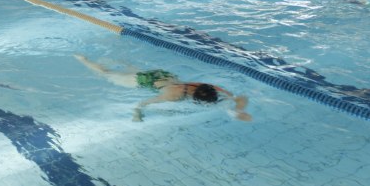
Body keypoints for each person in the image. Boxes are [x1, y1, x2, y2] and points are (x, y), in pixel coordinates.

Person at [75, 55, 252, 122]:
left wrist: (236, 106)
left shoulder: (202, 86)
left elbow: (231, 94)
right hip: (143, 80)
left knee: (132, 70)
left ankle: (121, 61)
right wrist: (137, 115)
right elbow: (143, 103)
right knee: (105, 73)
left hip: (161, 75)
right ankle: (84, 60)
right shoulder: (173, 96)